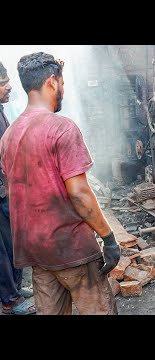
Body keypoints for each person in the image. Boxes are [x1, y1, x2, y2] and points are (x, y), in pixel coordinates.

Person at [0, 52, 120, 315]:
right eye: (62, 83)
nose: (63, 90)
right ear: (52, 81)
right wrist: (109, 238)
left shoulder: (9, 135)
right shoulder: (62, 128)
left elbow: (12, 192)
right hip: (72, 250)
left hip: (37, 253)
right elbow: (79, 194)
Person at [0, 61, 36, 315]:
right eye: (3, 83)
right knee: (1, 249)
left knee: (13, 241)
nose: (9, 86)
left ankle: (16, 287)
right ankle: (9, 300)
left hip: (6, 190)